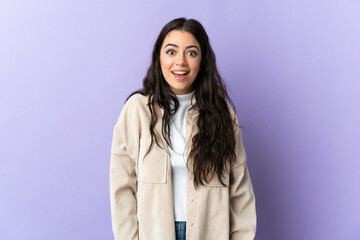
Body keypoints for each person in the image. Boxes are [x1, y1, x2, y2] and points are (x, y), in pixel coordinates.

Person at [109, 17, 257, 240]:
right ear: (159, 57)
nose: (181, 62)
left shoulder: (222, 113)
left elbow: (240, 192)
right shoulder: (137, 111)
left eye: (191, 53)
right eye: (171, 52)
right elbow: (122, 189)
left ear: (202, 60)